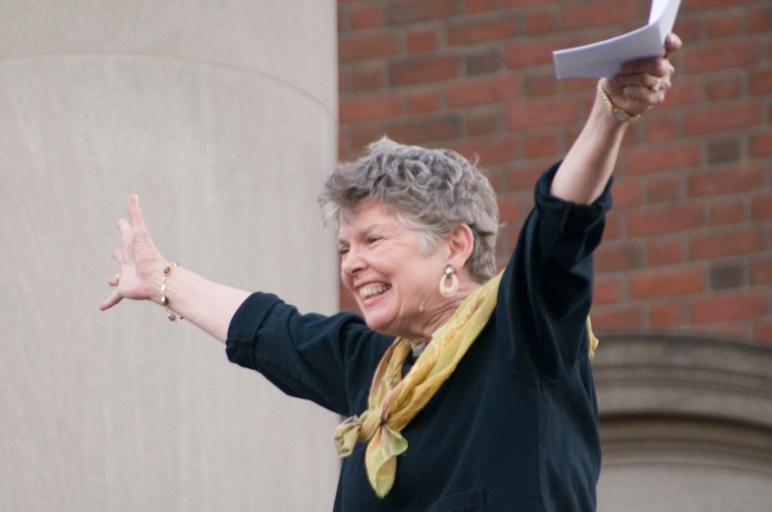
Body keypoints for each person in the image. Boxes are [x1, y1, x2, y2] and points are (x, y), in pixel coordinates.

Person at [101, 33, 682, 511]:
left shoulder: (523, 330)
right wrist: (159, 279)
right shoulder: (374, 365)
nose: (353, 264)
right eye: (343, 248)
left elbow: (560, 226)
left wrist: (611, 113)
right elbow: (268, 328)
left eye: (373, 240)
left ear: (454, 245)